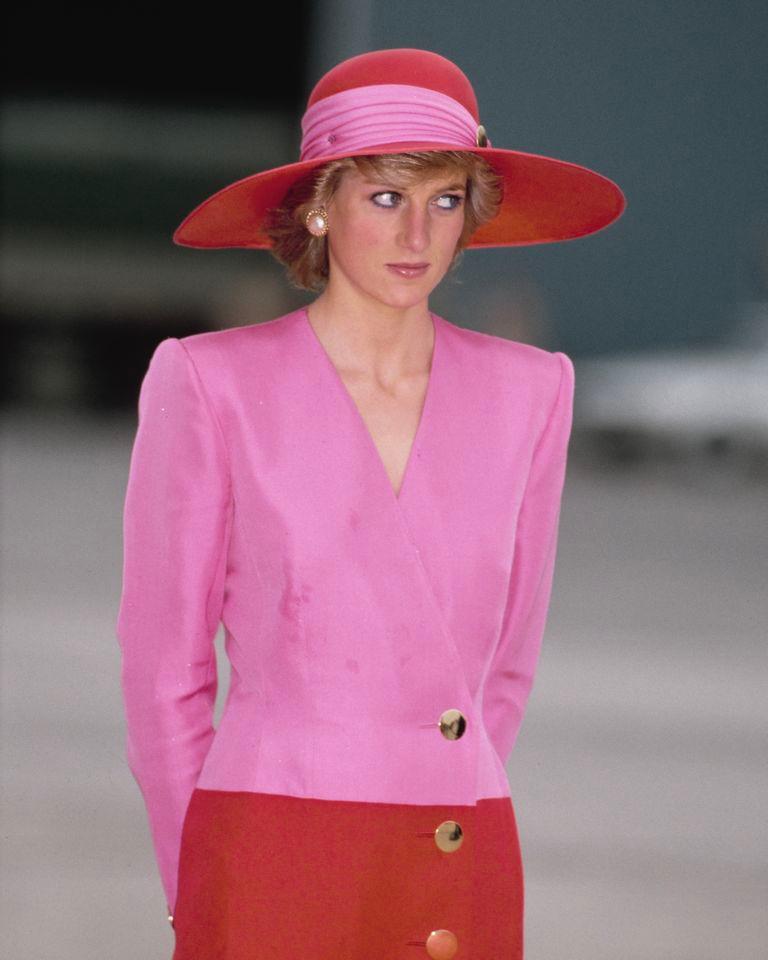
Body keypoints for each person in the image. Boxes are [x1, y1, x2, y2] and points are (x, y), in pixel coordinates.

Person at [116, 47, 625, 960]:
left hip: (451, 849)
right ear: (321, 202)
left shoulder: (531, 390)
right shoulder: (209, 382)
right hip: (266, 848)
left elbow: (506, 664)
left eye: (445, 200)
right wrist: (198, 882)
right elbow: (164, 678)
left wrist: (444, 778)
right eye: (387, 198)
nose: (418, 236)